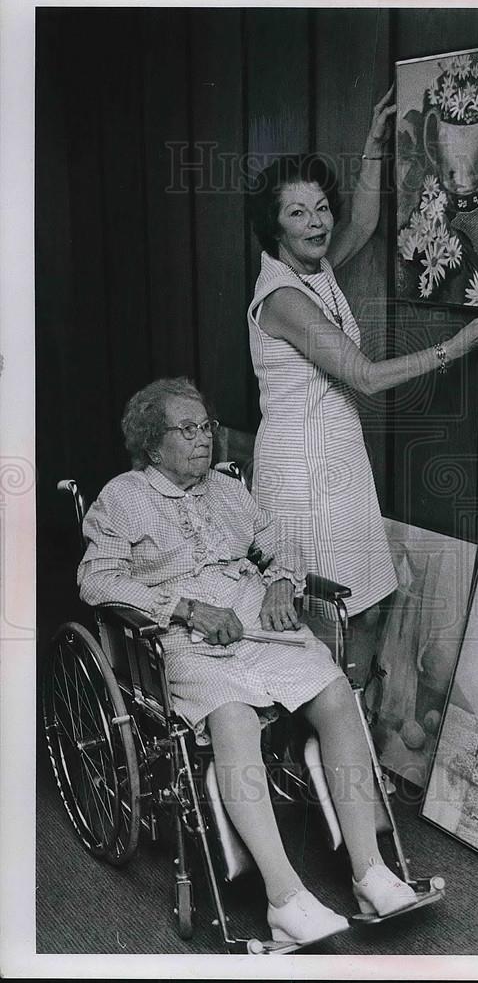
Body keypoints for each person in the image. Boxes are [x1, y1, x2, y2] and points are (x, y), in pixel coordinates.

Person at [77, 377, 419, 945]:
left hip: (256, 620)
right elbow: (95, 580)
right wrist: (184, 606)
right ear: (151, 443)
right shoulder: (121, 498)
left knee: (335, 693)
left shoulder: (229, 488)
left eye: (205, 426)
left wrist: (283, 581)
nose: (203, 439)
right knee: (231, 715)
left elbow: (275, 539)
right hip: (184, 637)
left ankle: (370, 870)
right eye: (185, 430)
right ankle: (284, 899)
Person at [247, 87, 478, 681]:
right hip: (304, 470)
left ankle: (337, 727)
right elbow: (366, 377)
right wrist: (455, 348)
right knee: (330, 615)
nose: (317, 221)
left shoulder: (314, 264)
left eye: (321, 206)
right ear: (272, 227)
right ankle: (324, 742)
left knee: (365, 606)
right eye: (296, 212)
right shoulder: (281, 296)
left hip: (336, 454)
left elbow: (367, 220)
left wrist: (373, 144)